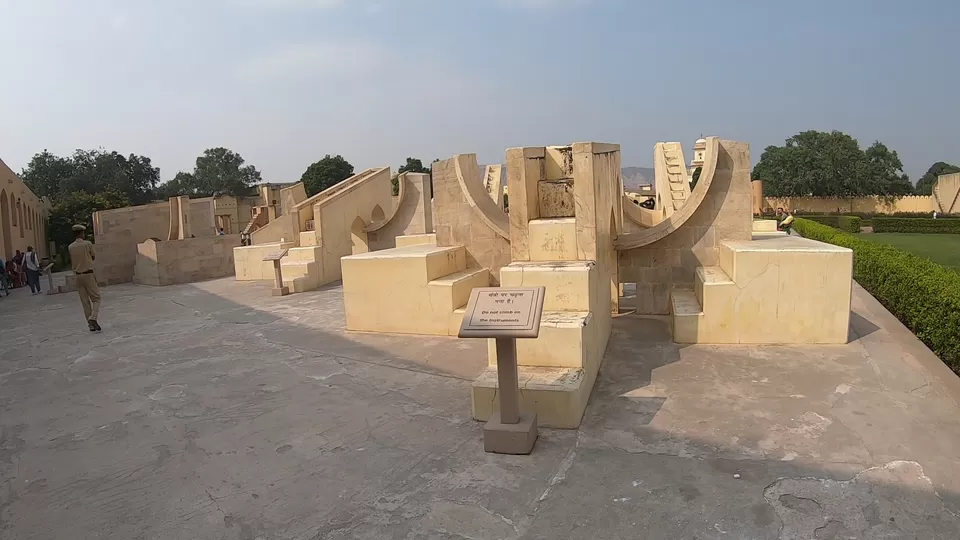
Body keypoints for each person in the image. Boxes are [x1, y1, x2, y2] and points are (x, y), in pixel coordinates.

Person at [68, 224, 102, 332]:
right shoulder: (87, 244)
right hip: (88, 274)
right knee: (96, 298)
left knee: (85, 301)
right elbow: (93, 256)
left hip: (78, 275)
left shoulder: (71, 247)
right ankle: (93, 317)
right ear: (82, 233)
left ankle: (90, 325)